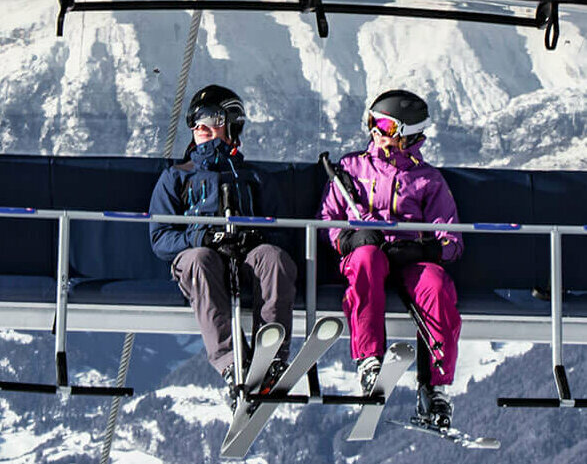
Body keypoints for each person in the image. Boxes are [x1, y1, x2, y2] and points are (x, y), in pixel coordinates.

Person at [318, 89, 463, 427]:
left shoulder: (427, 180)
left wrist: (423, 249)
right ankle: (369, 360)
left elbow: (452, 240)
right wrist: (350, 239)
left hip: (409, 258)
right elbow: (327, 220)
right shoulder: (351, 169)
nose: (375, 131)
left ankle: (435, 388)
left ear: (407, 133)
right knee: (367, 260)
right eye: (372, 122)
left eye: (384, 125)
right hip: (368, 253)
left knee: (435, 284)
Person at [149, 84, 297, 412]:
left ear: (231, 125)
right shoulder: (177, 177)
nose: (200, 126)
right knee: (200, 260)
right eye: (195, 120)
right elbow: (160, 238)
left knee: (273, 258)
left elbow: (283, 232)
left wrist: (255, 237)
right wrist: (201, 239)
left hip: (246, 261)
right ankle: (232, 362)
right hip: (201, 261)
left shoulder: (254, 178)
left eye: (211, 119)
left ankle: (270, 354)